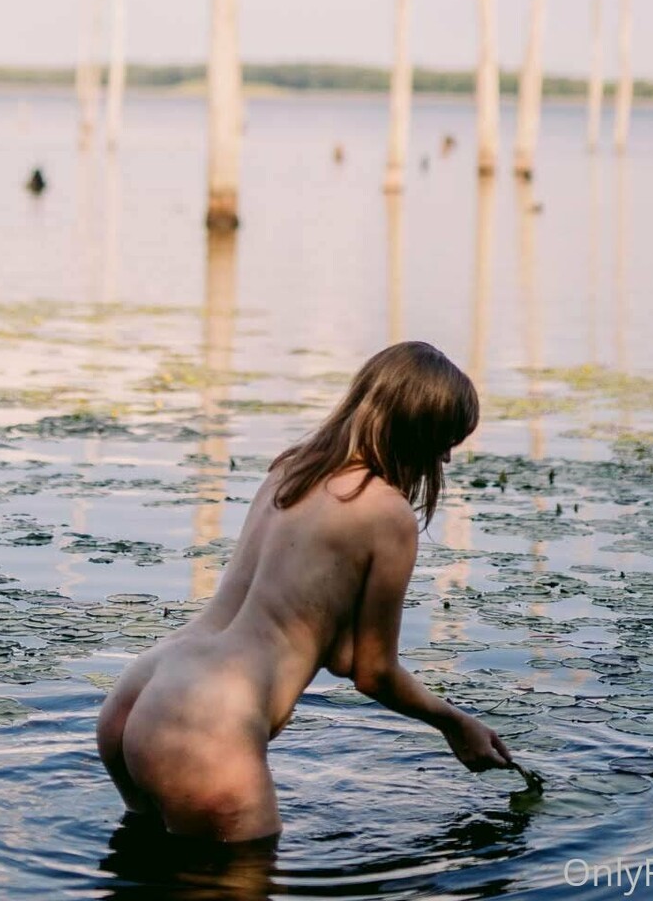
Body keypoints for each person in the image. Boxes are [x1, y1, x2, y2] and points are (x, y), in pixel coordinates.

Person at [96, 340, 539, 843]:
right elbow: (372, 672)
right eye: (444, 441)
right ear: (416, 433)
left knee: (147, 866)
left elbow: (320, 638)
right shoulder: (387, 514)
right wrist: (454, 723)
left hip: (142, 690)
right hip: (208, 721)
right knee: (238, 876)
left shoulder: (290, 468)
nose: (445, 457)